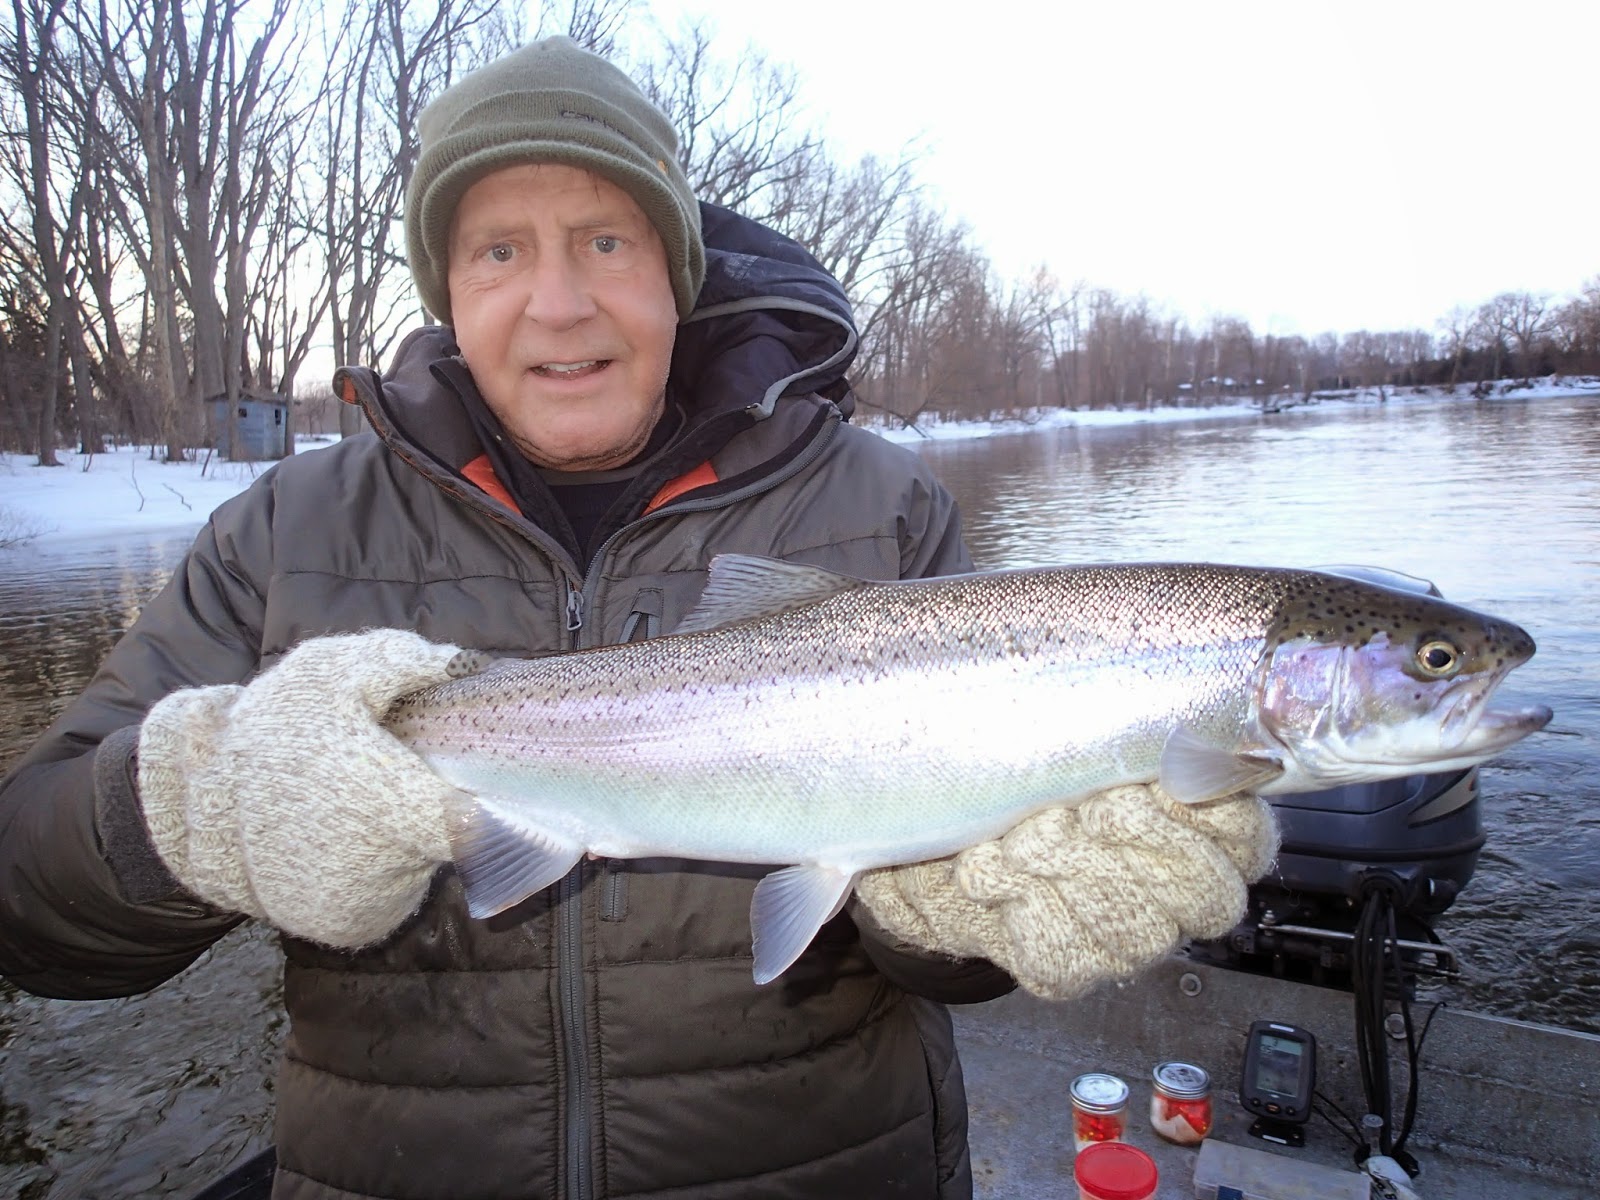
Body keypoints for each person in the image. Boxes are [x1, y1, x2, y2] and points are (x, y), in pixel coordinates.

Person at [0, 37, 1276, 1200]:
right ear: (447, 288)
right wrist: (189, 812)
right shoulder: (286, 529)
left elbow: (948, 953)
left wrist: (958, 915)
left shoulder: (881, 505)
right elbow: (28, 913)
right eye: (500, 249)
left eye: (606, 241)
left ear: (676, 274)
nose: (558, 303)